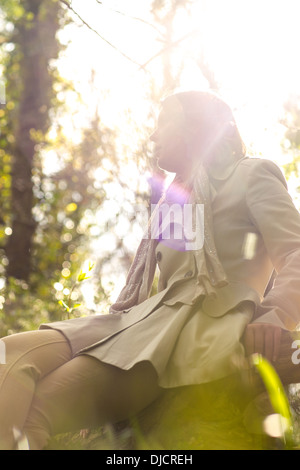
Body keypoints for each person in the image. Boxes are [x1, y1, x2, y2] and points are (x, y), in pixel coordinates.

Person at [1, 90, 300, 450]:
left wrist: (276, 313)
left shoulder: (252, 174)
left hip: (194, 329)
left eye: (163, 123)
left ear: (194, 127)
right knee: (8, 355)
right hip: (138, 320)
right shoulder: (170, 200)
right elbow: (161, 286)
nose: (153, 136)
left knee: (36, 412)